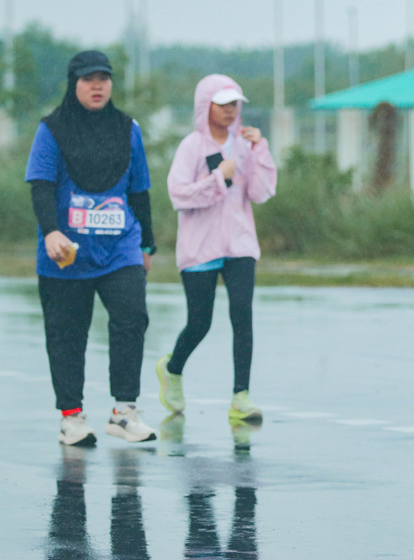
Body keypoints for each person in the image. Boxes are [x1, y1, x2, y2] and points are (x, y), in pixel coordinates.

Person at [26, 50, 158, 446]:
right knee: (67, 334)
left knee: (132, 318)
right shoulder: (52, 129)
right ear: (74, 84)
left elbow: (140, 189)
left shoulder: (128, 128)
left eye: (104, 78)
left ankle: (124, 412)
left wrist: (147, 244)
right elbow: (41, 185)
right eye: (88, 79)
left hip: (120, 247)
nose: (97, 85)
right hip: (66, 252)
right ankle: (71, 418)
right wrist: (51, 231)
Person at [156, 74, 276, 425]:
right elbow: (178, 194)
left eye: (234, 104)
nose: (229, 110)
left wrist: (260, 150)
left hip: (240, 244)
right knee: (200, 322)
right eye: (222, 104)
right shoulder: (191, 146)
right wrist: (218, 178)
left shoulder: (244, 145)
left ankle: (241, 397)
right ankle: (172, 369)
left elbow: (261, 193)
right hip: (200, 247)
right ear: (205, 105)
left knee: (242, 316)